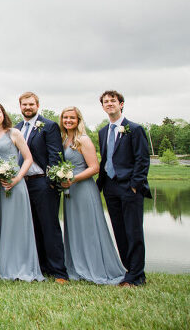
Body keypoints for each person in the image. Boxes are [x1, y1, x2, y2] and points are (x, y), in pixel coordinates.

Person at [59, 106, 126, 284]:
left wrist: (73, 178)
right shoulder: (64, 140)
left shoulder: (83, 139)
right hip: (70, 191)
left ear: (78, 120)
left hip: (83, 189)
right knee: (75, 228)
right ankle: (77, 266)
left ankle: (96, 267)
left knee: (88, 229)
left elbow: (95, 167)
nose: (68, 120)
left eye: (72, 118)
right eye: (65, 117)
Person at [0, 102, 44, 281]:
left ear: (3, 114)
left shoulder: (14, 133)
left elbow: (28, 158)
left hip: (14, 184)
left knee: (14, 225)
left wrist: (17, 178)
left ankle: (18, 265)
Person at [97, 90, 151, 287]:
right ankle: (130, 271)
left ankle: (137, 276)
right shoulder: (103, 132)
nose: (109, 103)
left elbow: (142, 160)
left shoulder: (134, 129)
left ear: (121, 104)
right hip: (110, 188)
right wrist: (100, 186)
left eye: (113, 100)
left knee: (133, 232)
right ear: (103, 106)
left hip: (129, 188)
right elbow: (105, 160)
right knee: (119, 231)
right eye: (106, 101)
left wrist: (135, 185)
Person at [15, 92, 68, 282]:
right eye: (24, 104)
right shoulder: (17, 128)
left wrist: (51, 182)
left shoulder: (49, 126)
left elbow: (55, 155)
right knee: (32, 226)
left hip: (42, 182)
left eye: (31, 104)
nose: (28, 107)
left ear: (37, 105)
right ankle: (41, 267)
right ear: (20, 106)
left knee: (49, 226)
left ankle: (59, 271)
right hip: (23, 184)